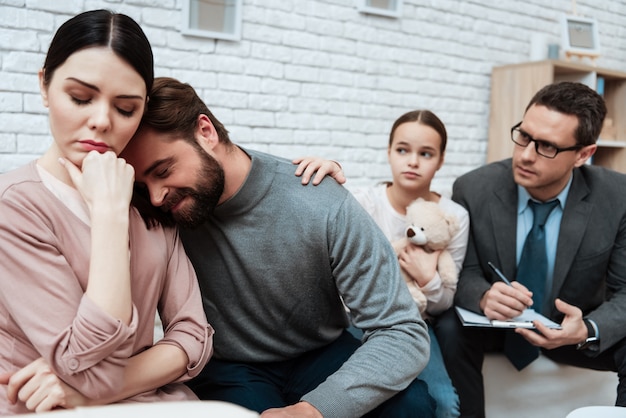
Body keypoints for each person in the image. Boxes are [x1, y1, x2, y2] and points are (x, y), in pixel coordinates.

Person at [121, 76, 437, 418]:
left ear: (205, 132)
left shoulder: (320, 201)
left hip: (320, 352)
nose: (156, 195)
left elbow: (401, 329)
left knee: (414, 407)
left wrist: (315, 409)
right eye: (143, 184)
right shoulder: (158, 212)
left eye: (164, 170)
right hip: (229, 367)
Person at [0, 10, 213, 415]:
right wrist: (110, 217)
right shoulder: (14, 206)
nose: (100, 121)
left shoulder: (149, 200)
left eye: (126, 108)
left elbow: (193, 338)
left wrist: (97, 387)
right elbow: (84, 368)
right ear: (44, 85)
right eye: (80, 98)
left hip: (151, 405)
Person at [433, 81, 626, 418]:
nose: (524, 155)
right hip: (497, 330)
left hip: (571, 333)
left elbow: (625, 291)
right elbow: (462, 271)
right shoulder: (474, 188)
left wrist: (587, 329)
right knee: (450, 327)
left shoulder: (616, 198)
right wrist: (482, 296)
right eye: (523, 136)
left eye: (547, 147)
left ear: (583, 154)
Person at [348, 110, 469, 418]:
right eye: (403, 150)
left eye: (426, 153)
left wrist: (427, 279)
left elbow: (442, 303)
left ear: (440, 160)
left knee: (445, 405)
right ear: (389, 153)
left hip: (416, 324)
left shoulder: (452, 217)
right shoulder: (364, 203)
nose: (413, 161)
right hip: (358, 322)